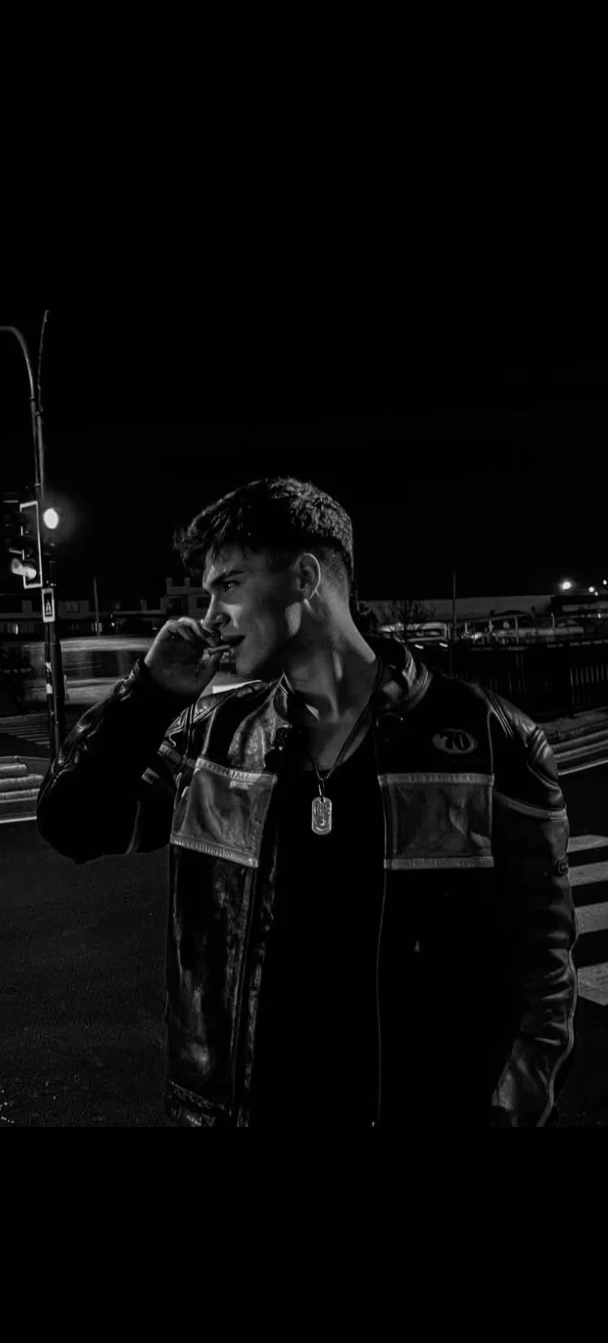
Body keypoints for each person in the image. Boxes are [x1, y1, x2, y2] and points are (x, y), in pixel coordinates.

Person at [36, 476, 579, 1128]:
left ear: (303, 577)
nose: (209, 617)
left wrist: (518, 1104)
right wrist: (148, 694)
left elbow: (544, 959)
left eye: (228, 585)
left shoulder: (492, 739)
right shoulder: (210, 737)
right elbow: (73, 823)